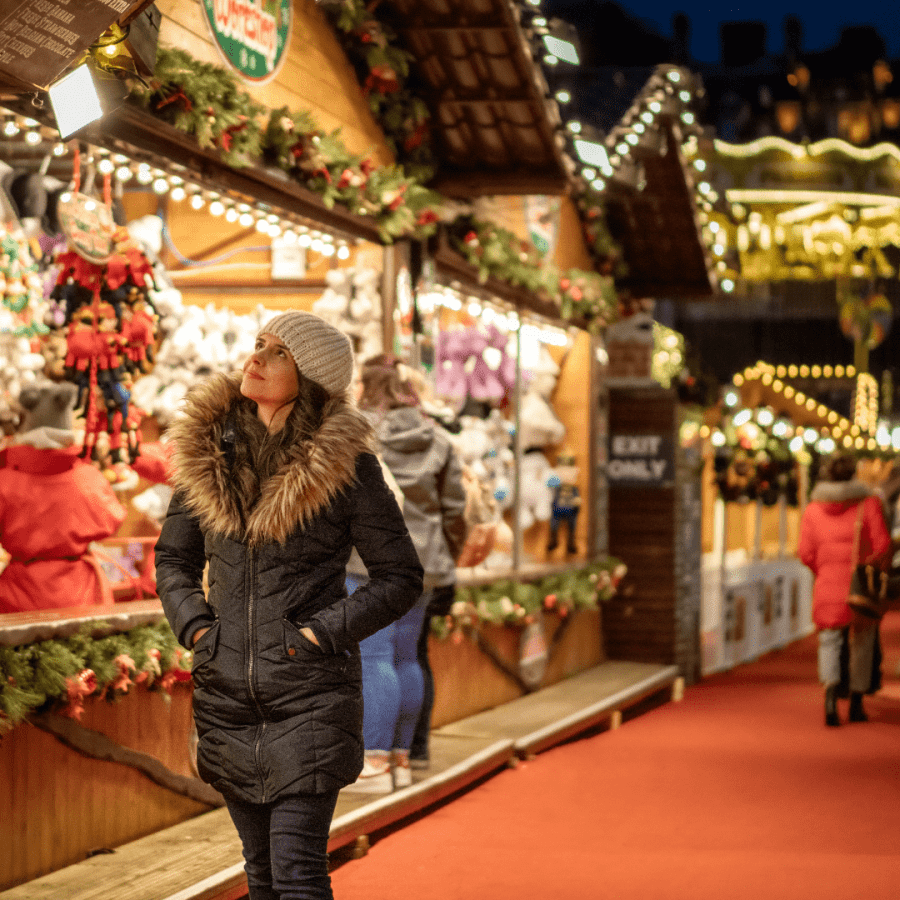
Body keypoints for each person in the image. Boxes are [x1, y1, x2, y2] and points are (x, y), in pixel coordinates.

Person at [154, 311, 423, 900]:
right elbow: (173, 559)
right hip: (226, 697)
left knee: (297, 871)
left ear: (312, 377)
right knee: (260, 875)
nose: (256, 358)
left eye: (279, 352)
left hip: (311, 696)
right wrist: (197, 628)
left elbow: (400, 577)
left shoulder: (346, 466)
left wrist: (320, 634)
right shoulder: (207, 456)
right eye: (259, 344)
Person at [346, 354, 467, 791]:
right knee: (406, 657)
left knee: (374, 658)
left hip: (369, 562)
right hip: (424, 562)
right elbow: (455, 510)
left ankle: (375, 762)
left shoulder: (355, 434)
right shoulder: (438, 438)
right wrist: (444, 556)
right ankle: (401, 757)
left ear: (367, 387)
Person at [0, 380, 126, 613]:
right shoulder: (89, 478)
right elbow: (113, 520)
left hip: (18, 596)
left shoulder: (4, 481)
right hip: (81, 594)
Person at [798, 451, 890, 727]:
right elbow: (882, 545)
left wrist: (823, 570)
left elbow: (805, 552)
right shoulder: (868, 504)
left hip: (827, 585)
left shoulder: (813, 509)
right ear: (853, 475)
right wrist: (869, 566)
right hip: (859, 586)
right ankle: (857, 702)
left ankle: (830, 698)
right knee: (862, 641)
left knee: (829, 641)